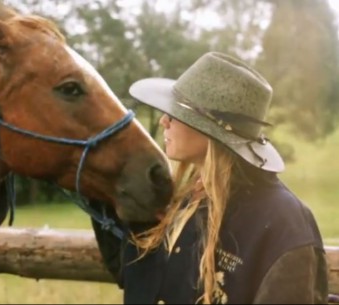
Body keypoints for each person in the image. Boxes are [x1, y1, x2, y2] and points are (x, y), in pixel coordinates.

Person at [90, 51, 329, 304]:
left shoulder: (285, 222)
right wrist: (96, 186)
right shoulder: (189, 195)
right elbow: (144, 280)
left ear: (210, 130)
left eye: (175, 114)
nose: (163, 121)